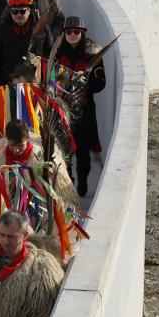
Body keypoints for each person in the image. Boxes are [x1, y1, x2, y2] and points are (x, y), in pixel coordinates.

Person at [54, 18, 107, 197]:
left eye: (76, 32)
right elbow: (49, 76)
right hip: (62, 110)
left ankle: (83, 180)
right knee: (65, 150)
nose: (73, 35)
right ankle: (69, 181)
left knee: (83, 151)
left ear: (82, 33)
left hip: (85, 111)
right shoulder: (57, 52)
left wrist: (86, 84)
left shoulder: (92, 54)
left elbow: (101, 83)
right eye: (69, 32)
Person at [0, 0, 45, 87]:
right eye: (14, 12)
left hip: (33, 82)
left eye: (22, 11)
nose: (18, 15)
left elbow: (48, 53)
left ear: (29, 10)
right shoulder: (1, 29)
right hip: (7, 83)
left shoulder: (41, 29)